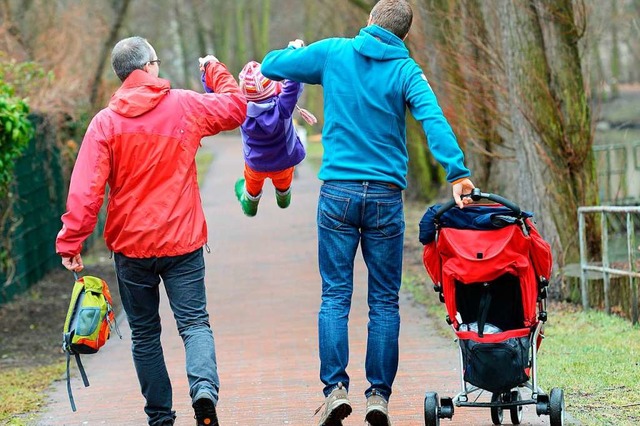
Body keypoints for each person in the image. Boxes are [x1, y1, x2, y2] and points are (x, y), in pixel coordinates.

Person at [260, 1, 475, 425]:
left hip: (338, 193)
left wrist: (293, 50)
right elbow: (432, 118)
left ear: (370, 22)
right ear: (404, 36)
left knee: (335, 296)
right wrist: (457, 172)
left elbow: (270, 65)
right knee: (383, 302)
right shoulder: (406, 71)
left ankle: (336, 389)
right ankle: (378, 396)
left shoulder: (334, 52)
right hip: (384, 198)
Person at [55, 36, 246, 426]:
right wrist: (214, 70)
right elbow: (236, 107)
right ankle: (204, 390)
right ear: (149, 66)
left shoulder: (105, 123)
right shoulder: (183, 105)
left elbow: (86, 189)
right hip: (183, 240)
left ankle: (160, 417)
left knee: (144, 335)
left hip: (131, 247)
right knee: (194, 324)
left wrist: (72, 239)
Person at [216, 60, 316, 217]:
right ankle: (283, 197)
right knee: (284, 180)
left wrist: (208, 69)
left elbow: (218, 96)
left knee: (252, 184)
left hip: (256, 164)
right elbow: (294, 84)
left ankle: (250, 203)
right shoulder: (283, 106)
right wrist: (294, 49)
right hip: (284, 162)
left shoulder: (240, 110)